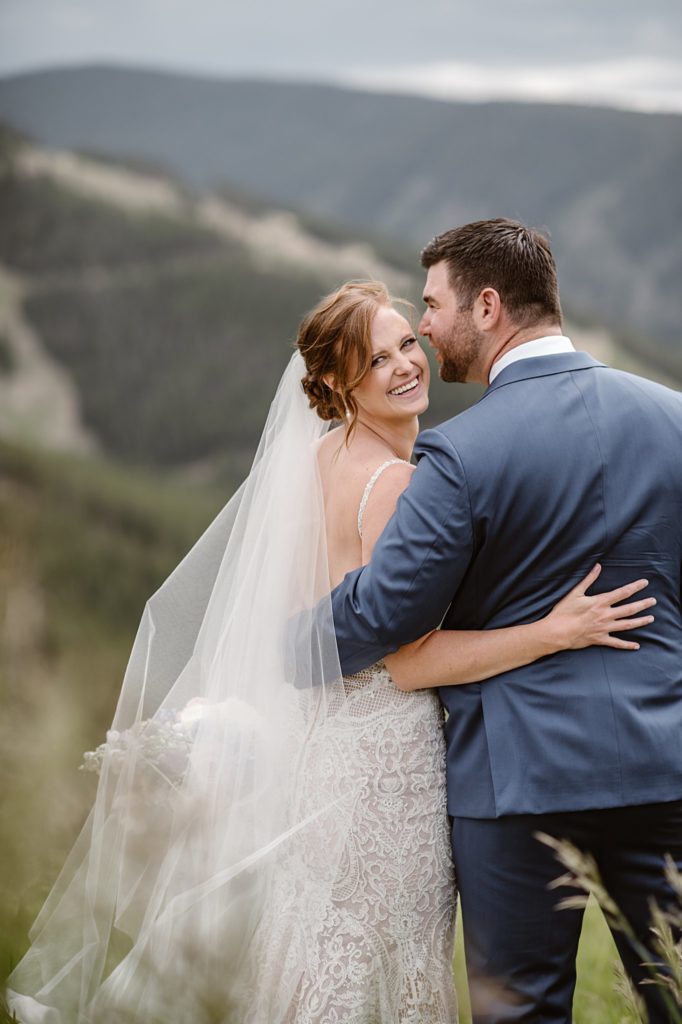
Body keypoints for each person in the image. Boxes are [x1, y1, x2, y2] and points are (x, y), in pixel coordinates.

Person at [7, 280, 653, 1024]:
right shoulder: (396, 485)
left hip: (322, 762)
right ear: (340, 387)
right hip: (385, 777)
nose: (406, 365)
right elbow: (408, 661)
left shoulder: (313, 466)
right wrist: (553, 631)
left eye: (408, 342)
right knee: (383, 965)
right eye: (376, 362)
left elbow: (307, 633)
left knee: (310, 954)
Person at [329, 223, 682, 1024]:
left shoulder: (461, 453)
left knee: (521, 1014)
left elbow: (383, 615)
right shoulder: (674, 419)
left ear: (487, 307)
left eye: (434, 305)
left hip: (519, 788)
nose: (424, 327)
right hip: (669, 768)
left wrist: (281, 638)